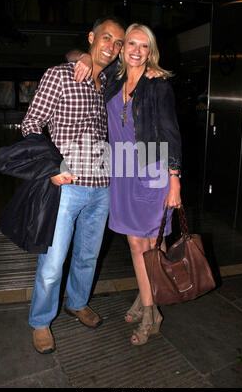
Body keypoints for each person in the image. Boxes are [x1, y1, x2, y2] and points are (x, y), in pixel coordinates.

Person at [21, 16, 125, 354]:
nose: (112, 46)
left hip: (103, 185)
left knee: (88, 255)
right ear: (93, 37)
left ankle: (77, 303)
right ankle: (40, 321)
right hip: (67, 185)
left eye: (118, 42)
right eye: (106, 37)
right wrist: (50, 166)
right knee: (52, 262)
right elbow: (31, 123)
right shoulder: (60, 75)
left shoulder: (109, 82)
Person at [75, 23, 182, 346]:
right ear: (121, 49)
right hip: (121, 169)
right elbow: (81, 59)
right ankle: (145, 300)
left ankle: (152, 313)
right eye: (130, 44)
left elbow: (171, 133)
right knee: (142, 246)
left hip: (151, 166)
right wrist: (82, 54)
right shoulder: (112, 80)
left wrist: (174, 179)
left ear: (151, 51)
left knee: (148, 245)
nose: (136, 50)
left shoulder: (157, 85)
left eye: (143, 46)